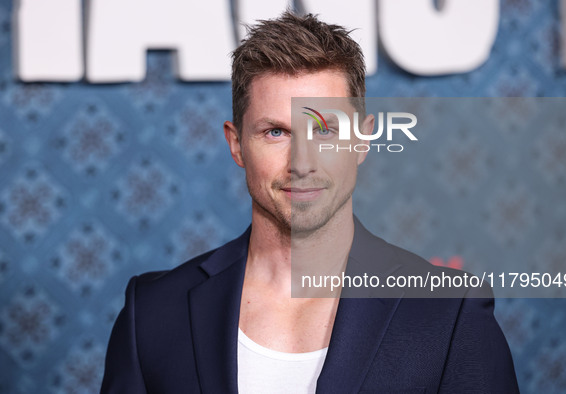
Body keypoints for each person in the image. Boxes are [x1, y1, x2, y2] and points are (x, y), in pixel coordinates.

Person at [101, 12, 519, 393]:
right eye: (276, 133)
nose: (302, 163)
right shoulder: (153, 311)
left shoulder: (448, 311)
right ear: (236, 144)